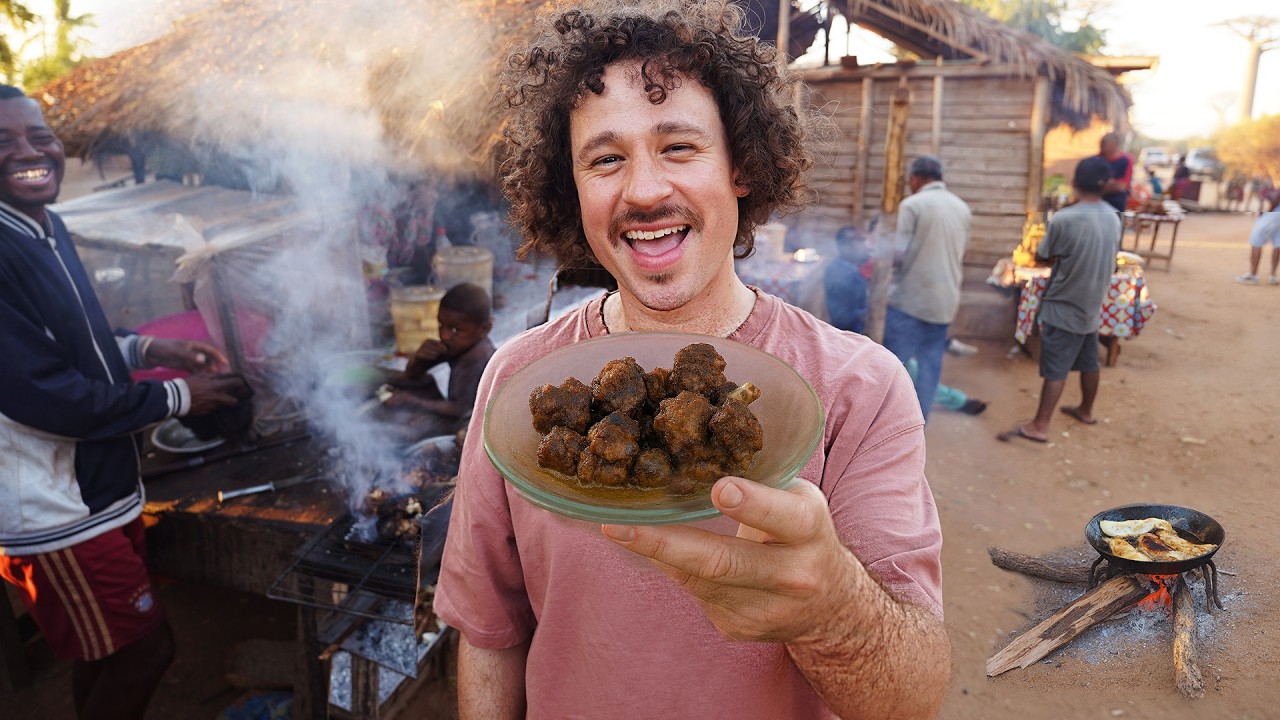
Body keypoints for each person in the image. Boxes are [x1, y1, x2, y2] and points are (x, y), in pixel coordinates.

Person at [432, 3, 949, 719]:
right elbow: (490, 635)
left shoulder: (862, 390)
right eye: (606, 159)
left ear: (740, 166)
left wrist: (833, 606)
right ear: (571, 187)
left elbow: (912, 697)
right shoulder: (518, 383)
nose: (643, 192)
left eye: (678, 147)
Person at [0, 84, 249, 719]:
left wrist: (152, 351)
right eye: (3, 142)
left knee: (106, 655)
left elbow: (74, 341)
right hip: (55, 512)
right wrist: (177, 397)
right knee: (146, 652)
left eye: (39, 135)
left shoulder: (41, 226)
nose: (30, 152)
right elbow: (49, 396)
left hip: (98, 488)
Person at [999, 156, 1120, 444]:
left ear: (1076, 183)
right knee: (1089, 361)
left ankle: (1039, 425)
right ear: (1105, 186)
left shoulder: (1066, 218)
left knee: (1057, 368)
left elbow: (1043, 255)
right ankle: (1086, 410)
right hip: (1092, 303)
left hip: (1064, 304)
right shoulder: (1114, 216)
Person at [824, 226, 986, 416]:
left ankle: (957, 397)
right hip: (856, 338)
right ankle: (958, 401)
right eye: (859, 241)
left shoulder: (848, 270)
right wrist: (870, 313)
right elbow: (843, 317)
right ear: (844, 246)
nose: (866, 246)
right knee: (911, 369)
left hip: (861, 334)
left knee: (911, 365)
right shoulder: (844, 274)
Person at [880, 155, 972, 422]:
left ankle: (888, 425)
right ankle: (920, 423)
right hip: (945, 302)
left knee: (894, 366)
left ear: (916, 179)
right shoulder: (962, 208)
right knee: (931, 366)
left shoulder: (912, 205)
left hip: (911, 301)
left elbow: (896, 255)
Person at [382, 282, 496, 434]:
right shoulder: (458, 345)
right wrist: (419, 359)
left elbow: (461, 409)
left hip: (470, 421)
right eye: (441, 325)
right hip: (454, 408)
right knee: (400, 379)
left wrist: (411, 401)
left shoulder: (476, 359)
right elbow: (412, 375)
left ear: (485, 329)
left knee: (409, 429)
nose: (445, 335)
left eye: (456, 329)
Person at [822, 224, 870, 334]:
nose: (865, 245)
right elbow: (857, 315)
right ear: (844, 246)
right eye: (861, 240)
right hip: (850, 334)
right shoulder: (851, 277)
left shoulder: (835, 267)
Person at [1235, 191, 1280, 285]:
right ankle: (1272, 275)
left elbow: (1276, 196)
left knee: (1256, 240)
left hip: (1274, 211)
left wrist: (1266, 211)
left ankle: (1252, 275)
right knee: (1277, 242)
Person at [1095, 132, 1134, 213]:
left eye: (1105, 144)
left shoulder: (1125, 160)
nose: (1102, 146)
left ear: (1115, 145)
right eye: (1101, 143)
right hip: (1095, 202)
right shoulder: (1095, 160)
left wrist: (1098, 186)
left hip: (1115, 202)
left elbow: (1120, 186)